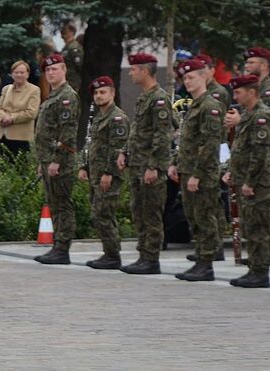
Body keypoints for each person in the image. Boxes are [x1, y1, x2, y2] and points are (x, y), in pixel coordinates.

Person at [117, 52, 174, 274]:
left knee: (151, 212)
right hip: (137, 165)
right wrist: (124, 152)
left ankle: (151, 258)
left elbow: (162, 136)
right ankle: (143, 255)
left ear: (144, 71)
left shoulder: (159, 99)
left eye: (133, 69)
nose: (130, 73)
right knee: (138, 210)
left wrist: (153, 166)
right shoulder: (143, 98)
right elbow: (136, 132)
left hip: (149, 167)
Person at [169, 60, 224, 281]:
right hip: (188, 170)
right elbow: (187, 141)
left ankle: (207, 264)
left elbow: (209, 144)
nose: (187, 82)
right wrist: (175, 162)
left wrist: (197, 174)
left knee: (204, 217)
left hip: (202, 174)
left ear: (203, 77)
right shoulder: (194, 105)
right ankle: (201, 259)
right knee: (194, 217)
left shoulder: (210, 106)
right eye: (185, 78)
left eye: (191, 77)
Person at [223, 74, 270, 288]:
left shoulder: (261, 116)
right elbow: (241, 149)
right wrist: (233, 172)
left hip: (258, 182)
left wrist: (250, 181)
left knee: (258, 227)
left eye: (238, 92)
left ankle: (260, 272)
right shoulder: (249, 115)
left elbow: (259, 153)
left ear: (252, 92)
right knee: (250, 226)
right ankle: (254, 268)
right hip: (247, 178)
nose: (235, 96)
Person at [32, 53, 79, 265]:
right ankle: (57, 246)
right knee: (54, 203)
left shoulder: (67, 96)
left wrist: (56, 160)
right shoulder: (53, 96)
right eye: (48, 70)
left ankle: (63, 247)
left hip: (61, 162)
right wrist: (42, 162)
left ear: (64, 70)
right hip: (48, 160)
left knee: (62, 205)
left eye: (55, 69)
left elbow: (67, 133)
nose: (51, 73)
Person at [79, 76, 127, 269]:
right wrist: (85, 166)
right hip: (96, 174)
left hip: (108, 175)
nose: (99, 96)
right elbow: (92, 145)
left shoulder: (117, 117)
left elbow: (119, 148)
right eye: (96, 93)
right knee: (98, 213)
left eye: (103, 92)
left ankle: (113, 255)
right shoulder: (98, 117)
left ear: (112, 93)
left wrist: (109, 172)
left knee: (103, 213)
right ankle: (109, 252)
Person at [243, 47, 270, 265]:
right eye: (247, 63)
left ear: (265, 65)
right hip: (258, 158)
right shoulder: (255, 90)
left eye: (252, 63)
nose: (247, 66)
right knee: (259, 210)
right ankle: (262, 252)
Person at [0, 60, 41, 157]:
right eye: (16, 72)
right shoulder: (6, 89)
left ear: (27, 74)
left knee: (19, 170)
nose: (19, 75)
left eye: (22, 72)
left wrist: (11, 118)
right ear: (12, 74)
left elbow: (31, 113)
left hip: (21, 138)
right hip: (3, 134)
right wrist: (3, 117)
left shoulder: (34, 90)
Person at [61, 22, 83, 92]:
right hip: (66, 81)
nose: (62, 35)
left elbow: (80, 66)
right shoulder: (66, 47)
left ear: (71, 32)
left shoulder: (74, 47)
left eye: (65, 32)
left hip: (73, 82)